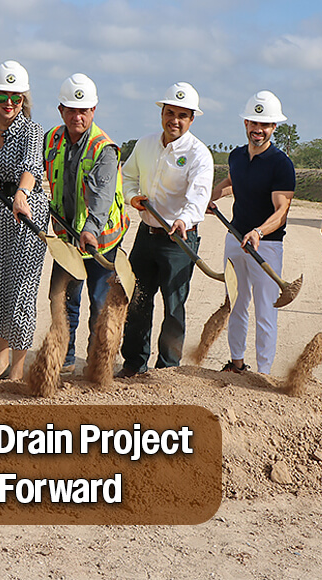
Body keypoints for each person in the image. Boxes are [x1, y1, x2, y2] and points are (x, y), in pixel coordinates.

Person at [119, 82, 214, 377]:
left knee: (173, 307)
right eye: (170, 112)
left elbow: (198, 195)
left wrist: (183, 220)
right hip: (146, 235)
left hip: (179, 241)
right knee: (137, 301)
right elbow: (128, 176)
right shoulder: (145, 144)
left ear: (191, 119)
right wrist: (133, 197)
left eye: (182, 115)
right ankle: (134, 363)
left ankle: (167, 369)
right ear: (162, 113)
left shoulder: (199, 154)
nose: (174, 120)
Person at [44, 73, 127, 374]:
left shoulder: (105, 148)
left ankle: (96, 363)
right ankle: (63, 359)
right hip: (68, 238)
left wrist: (90, 229)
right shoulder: (51, 139)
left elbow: (103, 196)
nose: (77, 116)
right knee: (64, 300)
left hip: (101, 242)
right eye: (71, 109)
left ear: (93, 111)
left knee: (99, 303)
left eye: (84, 110)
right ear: (61, 111)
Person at [208, 91, 296, 374]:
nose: (258, 130)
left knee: (265, 311)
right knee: (236, 303)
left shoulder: (281, 164)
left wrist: (258, 231)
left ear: (273, 128)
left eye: (265, 125)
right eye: (254, 123)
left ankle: (263, 374)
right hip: (235, 239)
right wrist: (214, 195)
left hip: (266, 246)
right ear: (246, 123)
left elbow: (281, 210)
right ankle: (236, 364)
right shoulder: (236, 156)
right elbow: (234, 180)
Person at [0, 60, 46, 380]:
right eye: (3, 97)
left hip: (25, 215)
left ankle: (16, 368)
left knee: (21, 293)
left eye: (17, 97)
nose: (10, 103)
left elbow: (31, 166)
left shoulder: (32, 130)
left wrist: (22, 194)